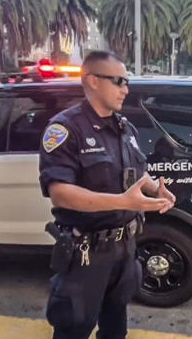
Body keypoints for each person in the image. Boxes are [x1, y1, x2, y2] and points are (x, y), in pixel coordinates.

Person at [39, 51, 176, 339]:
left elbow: (136, 171)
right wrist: (124, 202)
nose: (126, 89)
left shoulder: (124, 128)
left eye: (126, 82)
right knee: (73, 329)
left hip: (124, 249)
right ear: (92, 81)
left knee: (116, 328)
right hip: (85, 254)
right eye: (118, 81)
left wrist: (156, 189)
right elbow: (60, 194)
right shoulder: (65, 129)